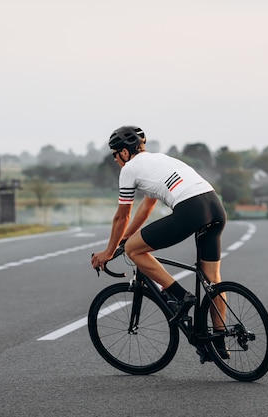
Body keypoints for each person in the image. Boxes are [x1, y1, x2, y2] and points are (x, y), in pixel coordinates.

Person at [91, 126, 229, 358]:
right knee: (213, 281)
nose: (115, 159)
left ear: (125, 152)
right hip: (215, 207)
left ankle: (180, 295)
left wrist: (109, 250)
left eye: (115, 154)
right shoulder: (160, 160)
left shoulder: (129, 170)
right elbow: (147, 207)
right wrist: (126, 237)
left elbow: (122, 215)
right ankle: (219, 340)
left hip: (190, 209)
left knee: (133, 251)